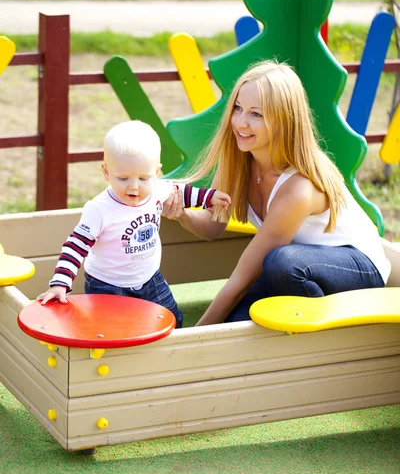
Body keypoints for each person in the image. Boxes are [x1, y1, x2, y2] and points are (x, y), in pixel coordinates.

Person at [163, 60, 391, 326]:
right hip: (299, 266)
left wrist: (194, 338)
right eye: (238, 108)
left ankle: (320, 333)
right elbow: (214, 225)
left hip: (356, 265)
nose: (240, 122)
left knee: (281, 262)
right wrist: (183, 216)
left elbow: (242, 278)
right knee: (236, 322)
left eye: (256, 114)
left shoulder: (298, 187)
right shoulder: (239, 160)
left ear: (283, 120)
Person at [36, 120, 231, 328]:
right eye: (123, 178)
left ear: (156, 173)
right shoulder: (100, 209)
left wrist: (211, 197)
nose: (134, 187)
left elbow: (185, 194)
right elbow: (75, 246)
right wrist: (60, 283)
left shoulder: (158, 189)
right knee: (112, 330)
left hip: (149, 278)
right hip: (107, 286)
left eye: (143, 178)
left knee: (173, 321)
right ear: (106, 172)